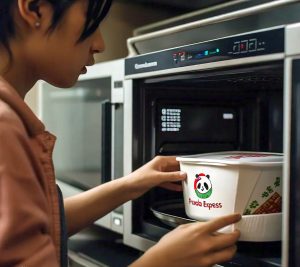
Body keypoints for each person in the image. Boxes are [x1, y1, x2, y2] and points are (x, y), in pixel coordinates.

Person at [0, 0, 241, 266]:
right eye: (92, 20)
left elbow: (42, 224)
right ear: (35, 9)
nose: (100, 44)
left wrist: (131, 184)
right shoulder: (5, 128)